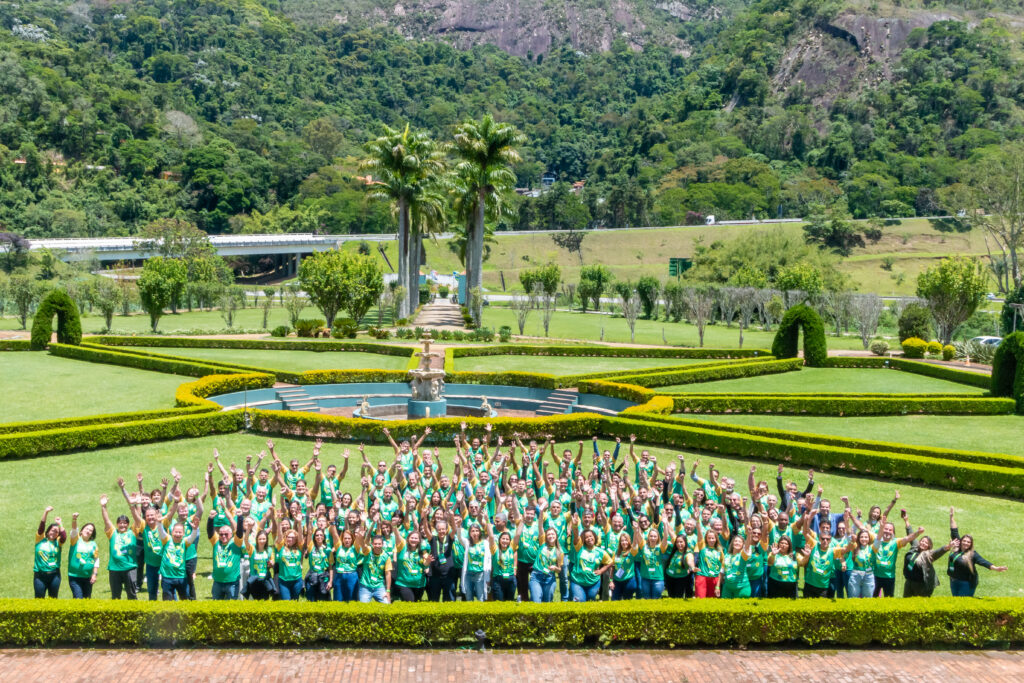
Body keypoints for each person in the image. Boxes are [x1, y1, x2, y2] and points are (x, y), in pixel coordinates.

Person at [948, 507, 1008, 596]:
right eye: (964, 541)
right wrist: (951, 517)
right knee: (955, 602)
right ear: (961, 541)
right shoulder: (957, 545)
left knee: (963, 604)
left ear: (971, 544)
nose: (966, 543)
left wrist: (995, 568)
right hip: (953, 581)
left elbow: (983, 562)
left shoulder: (972, 554)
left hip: (966, 583)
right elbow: (954, 530)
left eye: (968, 542)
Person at [100, 492, 141, 600]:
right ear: (117, 524)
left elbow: (138, 519)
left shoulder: (133, 532)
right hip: (114, 568)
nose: (122, 525)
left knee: (132, 594)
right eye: (120, 523)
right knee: (115, 596)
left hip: (130, 568)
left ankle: (134, 614)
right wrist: (103, 506)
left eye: (125, 523)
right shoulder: (113, 533)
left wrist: (136, 504)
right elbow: (106, 520)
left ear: (128, 524)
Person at [568, 523, 612, 602]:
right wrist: (574, 526)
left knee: (590, 600)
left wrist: (601, 571)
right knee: (580, 600)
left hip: (593, 582)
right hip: (577, 581)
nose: (589, 538)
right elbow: (576, 537)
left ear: (595, 537)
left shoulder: (600, 552)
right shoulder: (579, 548)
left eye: (591, 536)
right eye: (586, 537)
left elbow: (610, 562)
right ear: (583, 540)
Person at [207, 511, 244, 600]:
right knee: (216, 607)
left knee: (231, 608)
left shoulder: (236, 543)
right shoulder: (216, 542)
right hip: (217, 581)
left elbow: (239, 532)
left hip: (232, 582)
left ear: (231, 534)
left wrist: (240, 518)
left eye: (226, 534)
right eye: (221, 534)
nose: (223, 536)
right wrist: (210, 519)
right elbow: (210, 532)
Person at [34, 507, 65, 599]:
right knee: (39, 599)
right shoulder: (40, 540)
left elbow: (64, 536)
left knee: (53, 599)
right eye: (52, 530)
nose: (54, 533)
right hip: (40, 575)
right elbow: (41, 527)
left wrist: (60, 524)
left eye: (56, 532)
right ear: (47, 532)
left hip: (55, 575)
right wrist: (46, 512)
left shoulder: (58, 542)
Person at [67, 513, 99, 599]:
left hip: (88, 577)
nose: (88, 531)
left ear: (92, 534)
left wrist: (94, 574)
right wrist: (74, 519)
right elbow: (74, 530)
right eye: (86, 529)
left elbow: (96, 560)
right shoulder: (75, 540)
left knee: (87, 599)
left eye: (91, 530)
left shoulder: (94, 544)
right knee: (78, 598)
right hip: (75, 577)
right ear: (81, 531)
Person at [392, 530, 429, 602]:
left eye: (416, 538)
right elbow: (398, 536)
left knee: (416, 605)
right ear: (408, 539)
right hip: (404, 584)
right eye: (412, 538)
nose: (414, 540)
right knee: (410, 602)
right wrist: (394, 527)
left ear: (419, 540)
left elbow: (426, 567)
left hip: (419, 584)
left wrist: (427, 563)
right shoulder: (402, 547)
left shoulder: (422, 550)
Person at [529, 528, 563, 603]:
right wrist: (541, 516)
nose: (551, 536)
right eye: (548, 534)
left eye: (553, 534)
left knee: (547, 602)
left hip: (549, 578)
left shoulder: (559, 551)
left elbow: (559, 569)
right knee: (536, 600)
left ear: (556, 536)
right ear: (546, 537)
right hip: (536, 576)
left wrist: (555, 568)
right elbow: (540, 526)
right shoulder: (542, 544)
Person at [356, 534, 392, 603]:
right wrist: (361, 538)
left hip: (379, 586)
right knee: (363, 609)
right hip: (365, 586)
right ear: (372, 544)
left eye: (379, 544)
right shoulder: (368, 551)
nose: (377, 546)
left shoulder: (386, 557)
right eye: (375, 544)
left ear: (382, 544)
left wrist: (388, 591)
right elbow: (363, 546)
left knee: (387, 605)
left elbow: (388, 574)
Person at [610, 523, 641, 600]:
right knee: (614, 601)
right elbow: (612, 567)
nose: (624, 542)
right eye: (622, 541)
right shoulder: (616, 552)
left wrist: (636, 531)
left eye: (626, 540)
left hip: (629, 581)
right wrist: (611, 581)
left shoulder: (632, 552)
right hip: (617, 580)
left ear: (629, 541)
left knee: (627, 601)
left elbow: (635, 543)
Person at [329, 526, 360, 602]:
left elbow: (360, 537)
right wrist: (332, 522)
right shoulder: (339, 547)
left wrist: (362, 522)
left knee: (352, 600)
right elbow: (334, 534)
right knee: (338, 600)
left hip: (352, 576)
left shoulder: (355, 548)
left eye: (349, 538)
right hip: (339, 575)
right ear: (342, 539)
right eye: (345, 538)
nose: (347, 540)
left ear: (352, 539)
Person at [489, 526, 517, 601]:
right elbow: (491, 537)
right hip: (498, 580)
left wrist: (522, 521)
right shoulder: (494, 549)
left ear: (510, 541)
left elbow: (518, 535)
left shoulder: (511, 548)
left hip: (511, 580)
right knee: (499, 604)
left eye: (507, 539)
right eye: (503, 539)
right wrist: (487, 521)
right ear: (499, 540)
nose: (505, 541)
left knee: (509, 603)